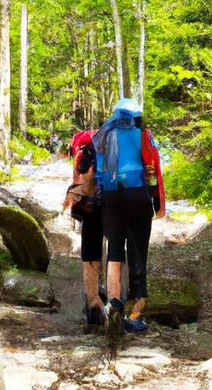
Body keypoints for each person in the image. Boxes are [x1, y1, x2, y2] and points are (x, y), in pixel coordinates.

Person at [92, 98, 166, 335]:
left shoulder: (103, 134)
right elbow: (153, 166)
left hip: (111, 196)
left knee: (114, 250)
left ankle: (114, 305)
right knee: (138, 252)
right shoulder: (143, 134)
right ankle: (134, 315)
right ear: (136, 116)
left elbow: (100, 171)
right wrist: (156, 198)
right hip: (137, 195)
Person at [62, 129, 105, 328]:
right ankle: (105, 294)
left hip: (88, 211)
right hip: (106, 208)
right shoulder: (108, 156)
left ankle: (92, 300)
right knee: (105, 253)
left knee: (89, 257)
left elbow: (78, 184)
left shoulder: (83, 156)